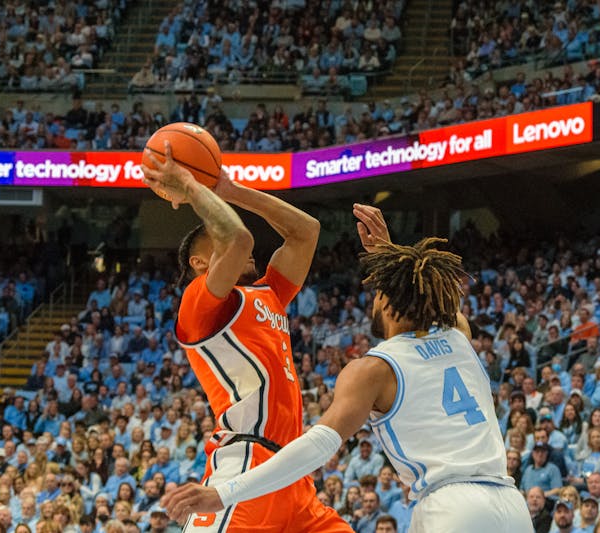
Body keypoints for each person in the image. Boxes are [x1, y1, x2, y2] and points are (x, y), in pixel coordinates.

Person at [162, 204, 532, 531]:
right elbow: (429, 300)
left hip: (447, 504)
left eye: (379, 290)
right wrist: (390, 258)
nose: (373, 293)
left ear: (390, 305)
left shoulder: (374, 368)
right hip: (510, 501)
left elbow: (321, 444)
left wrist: (204, 187)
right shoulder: (458, 336)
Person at [141, 142, 349, 532]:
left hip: (292, 473)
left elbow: (306, 231)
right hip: (243, 464)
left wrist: (231, 191)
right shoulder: (198, 305)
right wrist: (189, 183)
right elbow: (238, 238)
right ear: (200, 263)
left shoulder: (269, 294)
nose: (234, 247)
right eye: (213, 242)